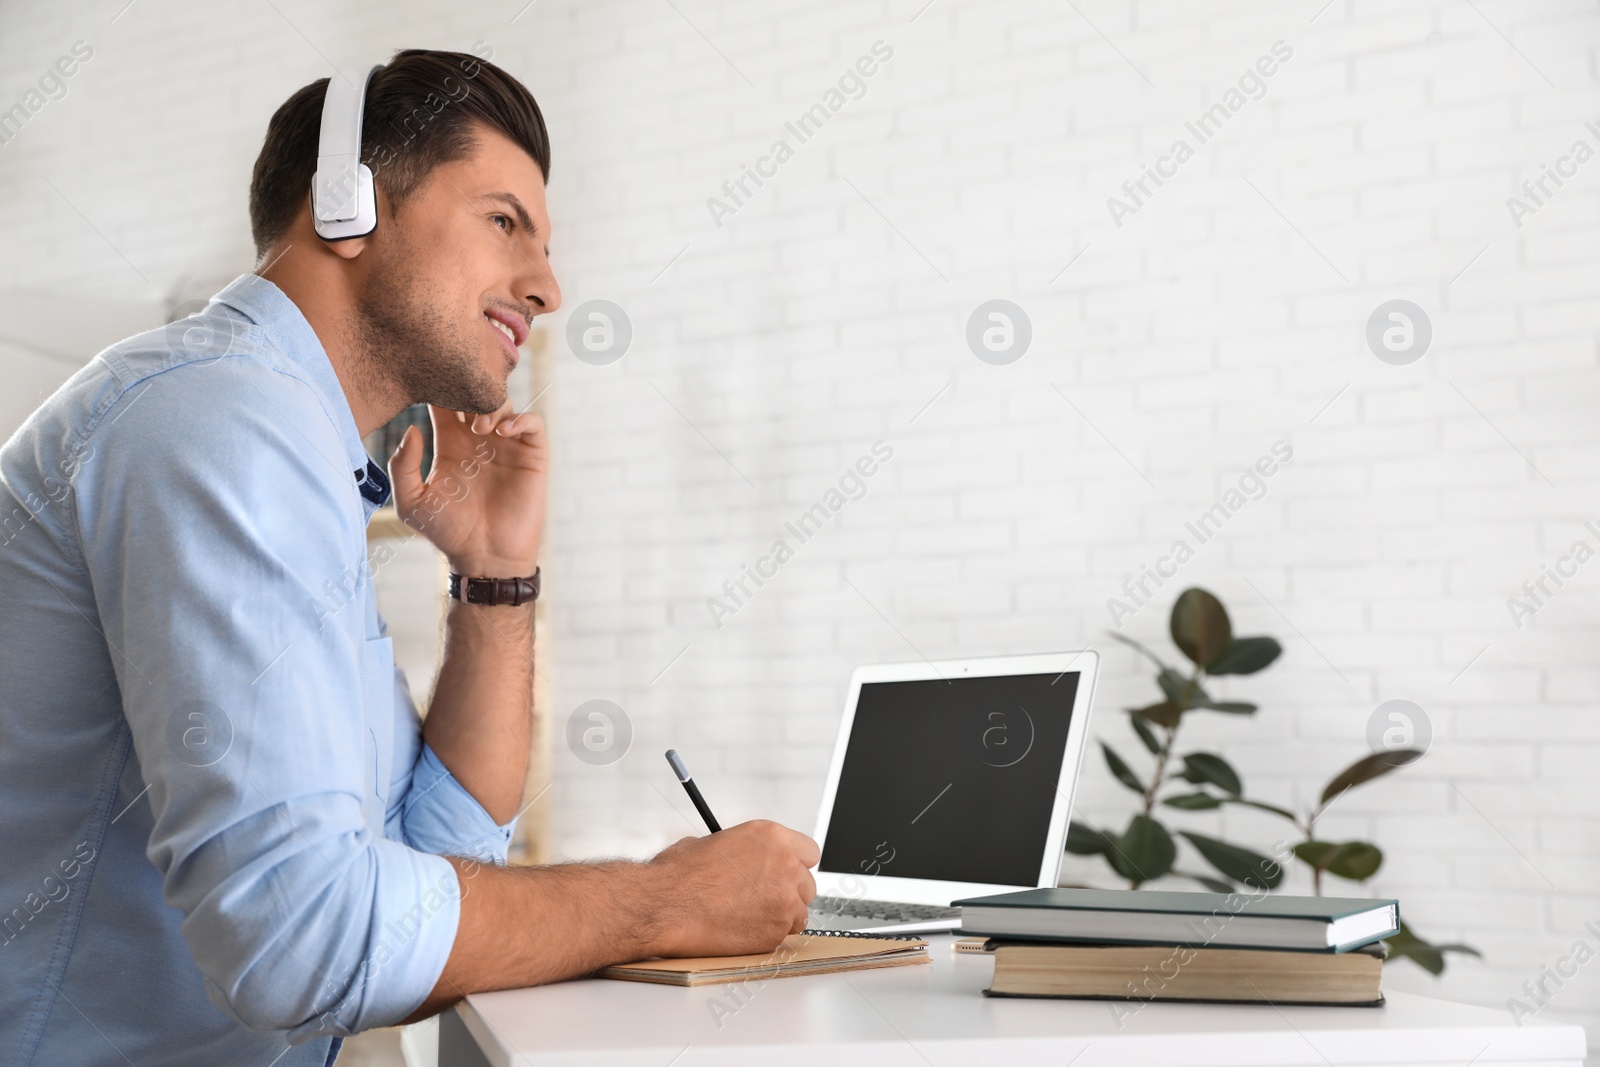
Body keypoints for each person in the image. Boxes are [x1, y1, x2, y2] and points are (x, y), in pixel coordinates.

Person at [0, 48, 817, 1066]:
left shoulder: (300, 448)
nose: (548, 285)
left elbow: (431, 866)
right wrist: (664, 899)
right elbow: (302, 941)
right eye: (504, 221)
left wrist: (493, 575)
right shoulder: (219, 418)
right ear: (346, 205)